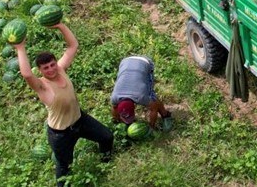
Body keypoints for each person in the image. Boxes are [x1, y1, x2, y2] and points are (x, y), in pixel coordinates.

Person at [12, 24, 113, 187]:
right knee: (64, 165)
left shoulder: (61, 69)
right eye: (46, 68)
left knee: (107, 136)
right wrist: (20, 47)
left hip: (80, 120)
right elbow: (26, 74)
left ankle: (106, 161)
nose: (51, 69)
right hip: (61, 134)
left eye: (52, 64)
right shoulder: (42, 86)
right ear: (40, 70)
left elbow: (73, 46)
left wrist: (60, 25)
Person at [111, 56, 172, 130]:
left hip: (144, 62)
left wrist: (151, 127)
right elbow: (114, 109)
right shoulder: (114, 98)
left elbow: (154, 108)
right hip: (125, 61)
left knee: (152, 98)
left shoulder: (141, 97)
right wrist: (117, 122)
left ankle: (165, 115)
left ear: (135, 107)